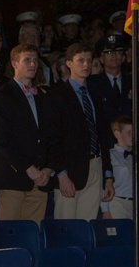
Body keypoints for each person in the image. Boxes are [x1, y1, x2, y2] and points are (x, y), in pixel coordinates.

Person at [0, 44, 55, 223]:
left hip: (40, 180)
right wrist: (28, 167)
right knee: (9, 235)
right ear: (14, 63)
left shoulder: (43, 96)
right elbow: (1, 139)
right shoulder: (0, 96)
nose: (33, 64)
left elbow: (51, 137)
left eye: (35, 60)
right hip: (12, 178)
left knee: (32, 235)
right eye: (27, 60)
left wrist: (48, 169)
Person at [49, 43, 114, 220]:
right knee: (67, 226)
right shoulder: (57, 96)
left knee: (88, 225)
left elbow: (102, 137)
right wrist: (62, 174)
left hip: (95, 165)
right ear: (68, 64)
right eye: (80, 61)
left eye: (88, 60)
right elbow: (53, 139)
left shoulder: (95, 96)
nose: (86, 65)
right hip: (70, 167)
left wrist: (108, 175)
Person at [100, 116, 134, 220]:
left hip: (134, 205)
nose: (133, 135)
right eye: (129, 132)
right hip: (117, 204)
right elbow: (103, 184)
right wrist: (105, 210)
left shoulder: (133, 157)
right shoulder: (109, 156)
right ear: (117, 134)